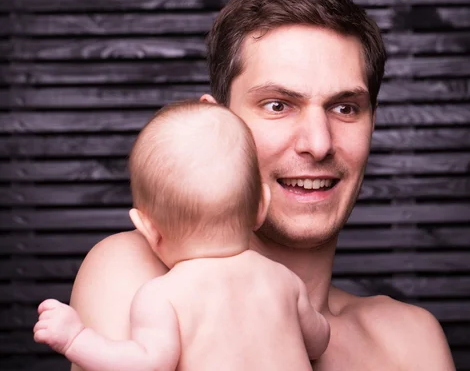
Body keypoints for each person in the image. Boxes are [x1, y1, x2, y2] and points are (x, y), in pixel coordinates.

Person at [69, 0, 455, 370]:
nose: (318, 143)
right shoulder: (134, 273)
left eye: (345, 108)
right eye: (278, 105)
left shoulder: (410, 341)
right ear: (214, 120)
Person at [34, 101, 330, 370]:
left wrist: (77, 339)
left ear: (147, 227)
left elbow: (144, 364)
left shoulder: (163, 296)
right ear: (260, 207)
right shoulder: (285, 280)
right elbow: (318, 342)